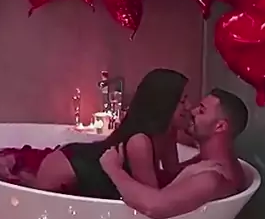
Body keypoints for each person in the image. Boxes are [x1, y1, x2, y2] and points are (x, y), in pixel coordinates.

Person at [18, 68, 190, 198]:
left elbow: (173, 171)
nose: (189, 106)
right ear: (164, 104)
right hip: (72, 166)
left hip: (90, 163)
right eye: (183, 101)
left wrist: (203, 157)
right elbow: (152, 198)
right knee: (34, 193)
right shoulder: (139, 142)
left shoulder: (168, 133)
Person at [100, 88, 249, 219]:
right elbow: (173, 178)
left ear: (220, 126)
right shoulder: (217, 162)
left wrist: (113, 169)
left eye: (201, 111)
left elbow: (153, 207)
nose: (192, 111)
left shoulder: (213, 177)